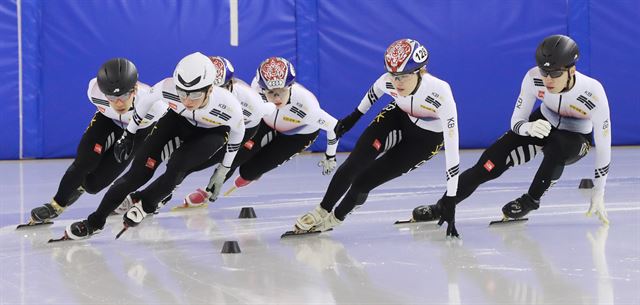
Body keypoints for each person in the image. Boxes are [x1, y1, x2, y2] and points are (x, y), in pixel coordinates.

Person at [412, 34, 611, 227]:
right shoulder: (533, 78)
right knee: (489, 162)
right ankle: (443, 205)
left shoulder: (593, 92)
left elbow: (604, 146)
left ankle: (531, 200)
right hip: (541, 123)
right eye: (544, 72)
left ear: (571, 70)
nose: (548, 79)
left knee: (557, 148)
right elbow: (516, 121)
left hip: (576, 137)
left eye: (556, 73)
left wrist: (599, 190)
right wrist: (527, 127)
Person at [62, 52, 246, 239]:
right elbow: (145, 103)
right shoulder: (168, 87)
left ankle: (146, 204)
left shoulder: (229, 105)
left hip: (212, 132)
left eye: (195, 94)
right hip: (177, 122)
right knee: (136, 174)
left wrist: (224, 168)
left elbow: (238, 134)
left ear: (210, 89)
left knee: (178, 165)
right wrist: (129, 134)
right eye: (182, 92)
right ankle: (95, 221)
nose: (187, 100)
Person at [292, 38, 461, 237]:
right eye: (393, 76)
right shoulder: (387, 81)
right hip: (398, 118)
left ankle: (336, 217)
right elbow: (374, 93)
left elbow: (452, 148)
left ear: (420, 71)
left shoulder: (440, 92)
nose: (397, 83)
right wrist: (352, 118)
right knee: (355, 162)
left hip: (425, 140)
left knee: (364, 182)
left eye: (404, 76)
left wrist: (451, 197)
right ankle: (322, 208)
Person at [20, 58, 165, 227]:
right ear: (104, 92)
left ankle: (81, 187)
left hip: (138, 131)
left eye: (124, 94)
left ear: (134, 89)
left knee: (94, 186)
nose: (118, 102)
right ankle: (56, 204)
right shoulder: (94, 91)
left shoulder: (155, 105)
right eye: (111, 96)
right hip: (108, 122)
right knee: (84, 162)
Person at [201, 56, 341, 198]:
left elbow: (334, 127)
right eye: (270, 92)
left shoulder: (308, 106)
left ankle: (250, 176)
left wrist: (330, 155)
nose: (277, 98)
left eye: (281, 91)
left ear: (291, 86)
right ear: (262, 88)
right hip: (266, 122)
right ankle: (208, 192)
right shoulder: (255, 86)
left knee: (248, 171)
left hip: (298, 135)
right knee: (236, 156)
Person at [176, 56, 276, 208]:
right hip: (216, 123)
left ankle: (209, 191)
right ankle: (168, 187)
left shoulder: (250, 101)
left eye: (221, 88)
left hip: (244, 127)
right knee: (194, 159)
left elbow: (268, 109)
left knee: (231, 159)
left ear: (231, 84)